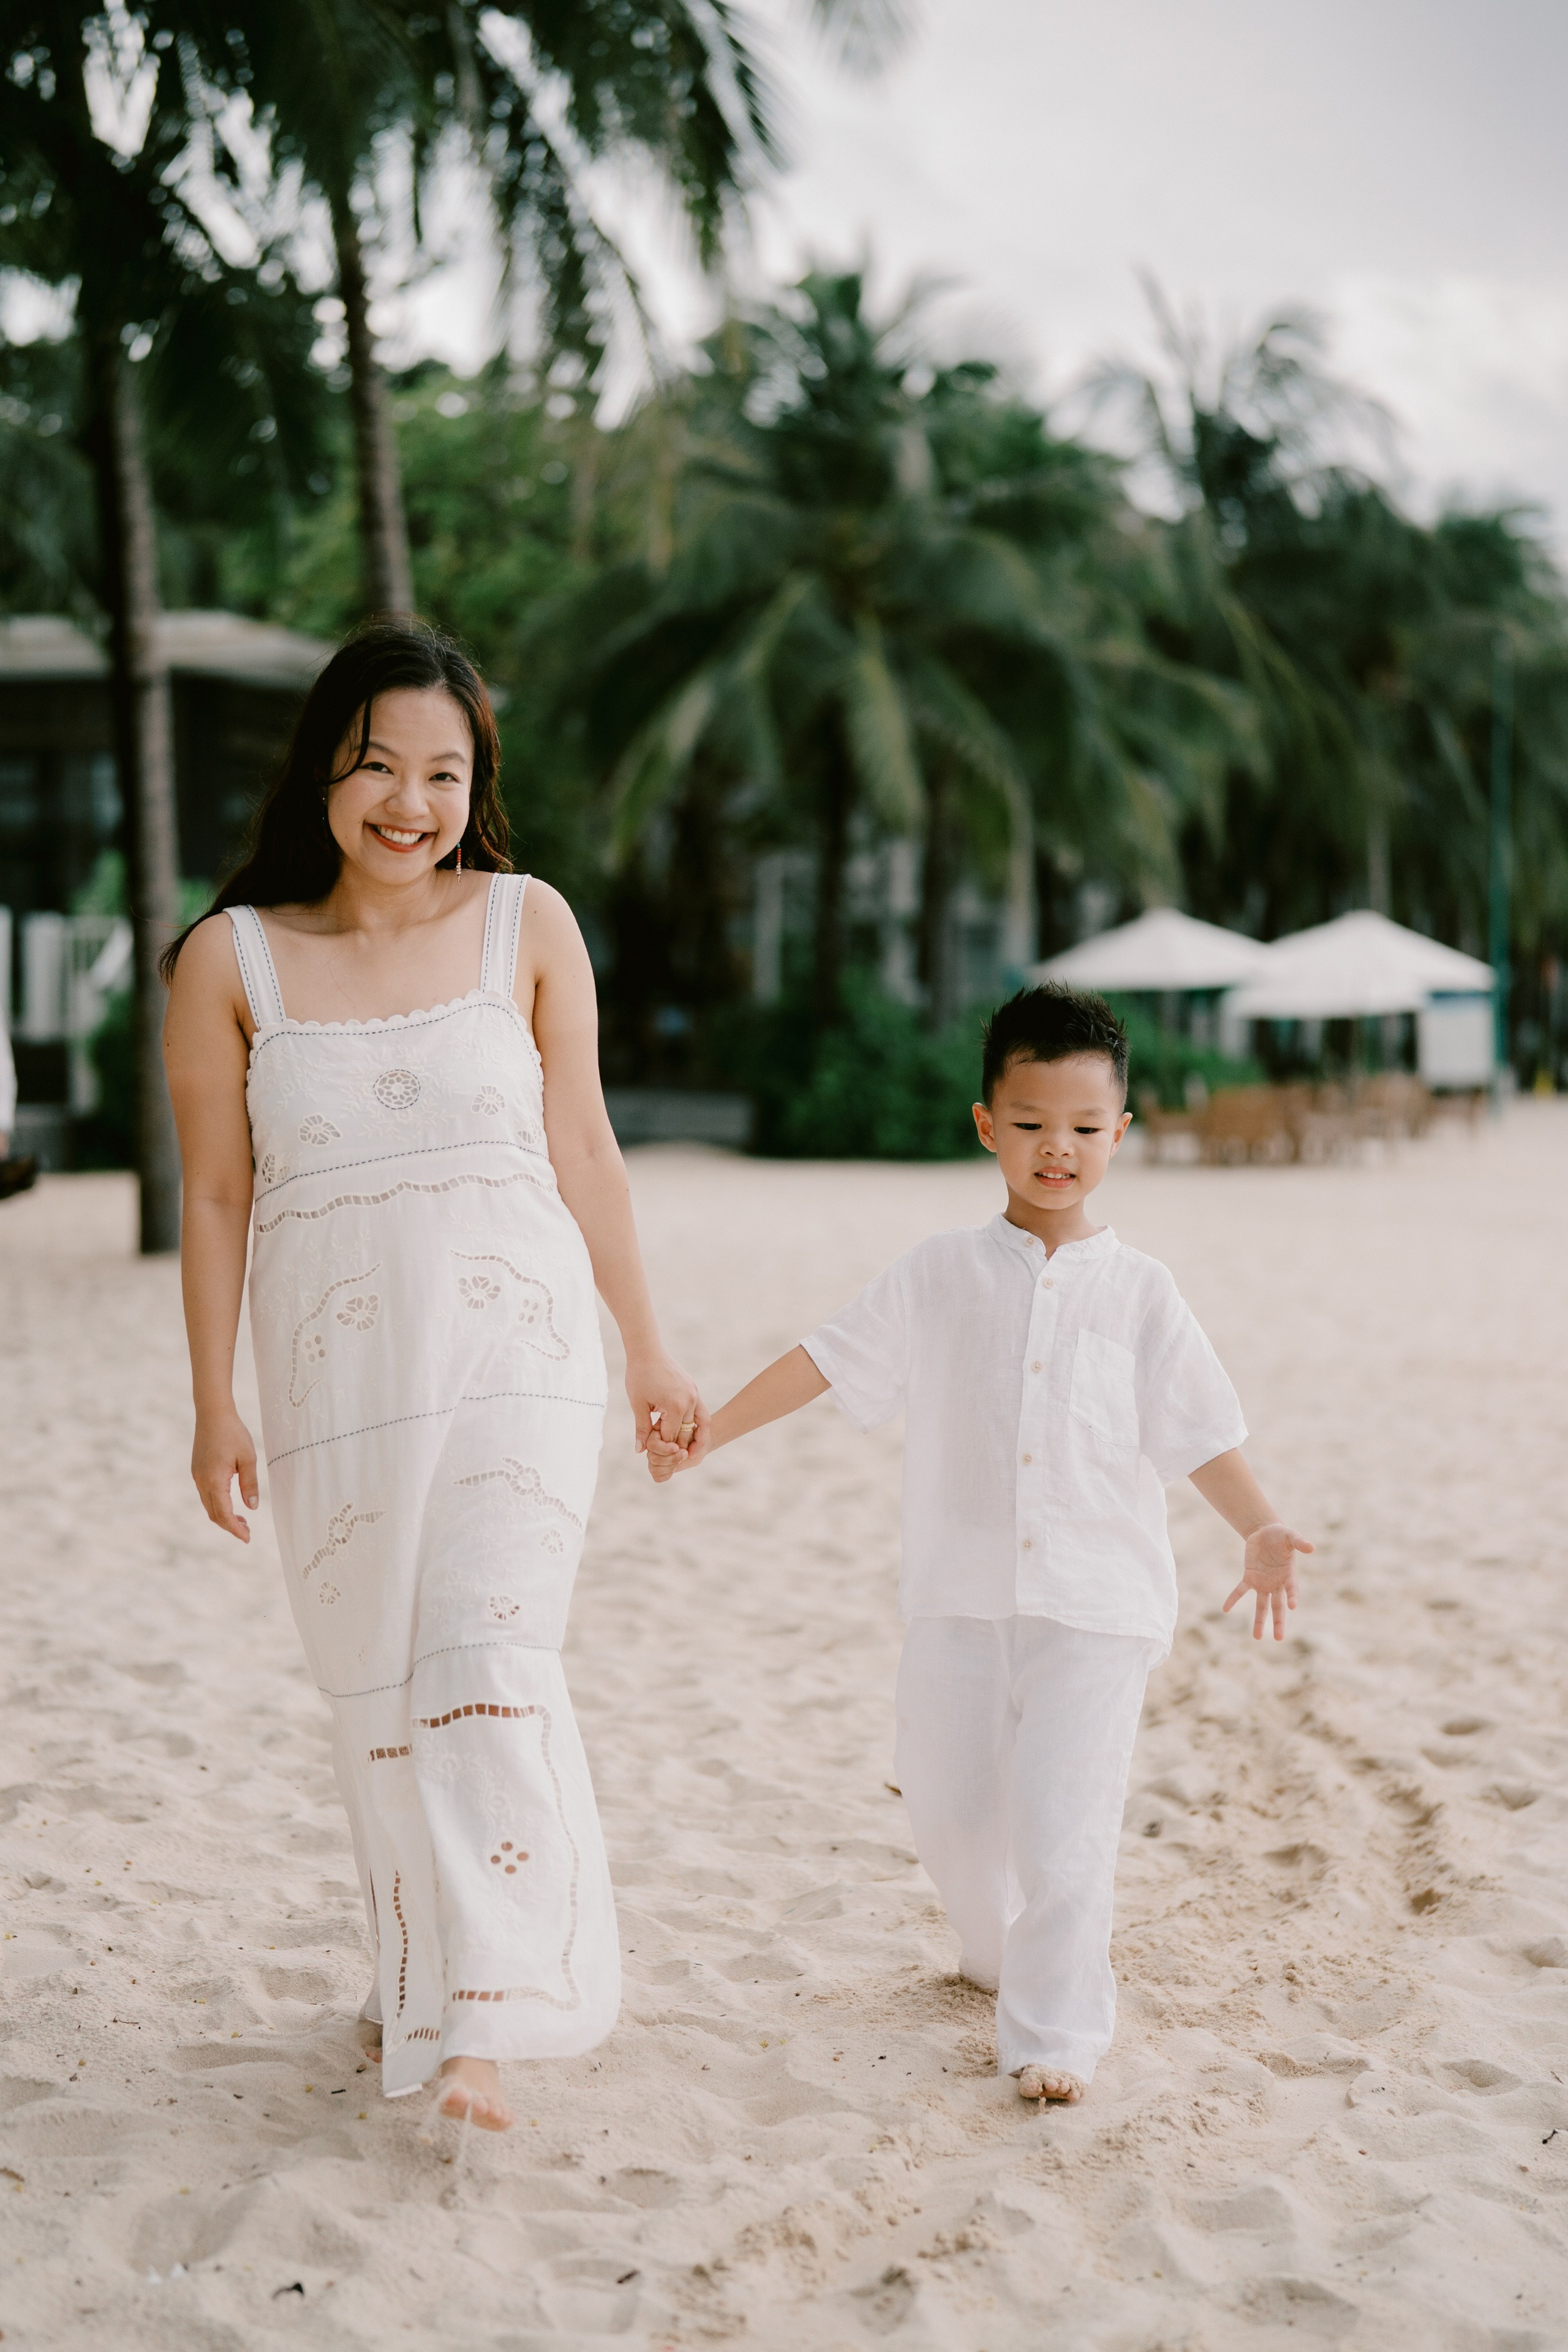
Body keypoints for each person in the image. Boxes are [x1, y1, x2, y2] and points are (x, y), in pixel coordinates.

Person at [162, 617, 706, 2132]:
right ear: (323, 772)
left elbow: (582, 1147)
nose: (410, 802)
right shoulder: (230, 960)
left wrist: (644, 1343)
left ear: (479, 785)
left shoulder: (528, 924)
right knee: (381, 1686)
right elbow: (216, 1196)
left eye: (444, 773)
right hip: (336, 1377)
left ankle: (480, 2019)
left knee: (483, 1654)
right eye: (378, 766)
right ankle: (426, 1964)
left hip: (519, 1357)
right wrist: (215, 1401)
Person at [647, 984, 1311, 2106]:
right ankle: (997, 1952)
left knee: (1063, 1828)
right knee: (952, 1811)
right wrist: (714, 1432)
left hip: (1096, 1609)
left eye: (1086, 1129)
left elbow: (1199, 1431)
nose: (1060, 1149)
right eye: (1035, 1123)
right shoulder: (937, 1272)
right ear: (986, 1126)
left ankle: (1054, 2033)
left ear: (1122, 1136)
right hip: (957, 1600)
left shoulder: (1144, 1295)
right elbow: (826, 1357)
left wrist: (1260, 1526)